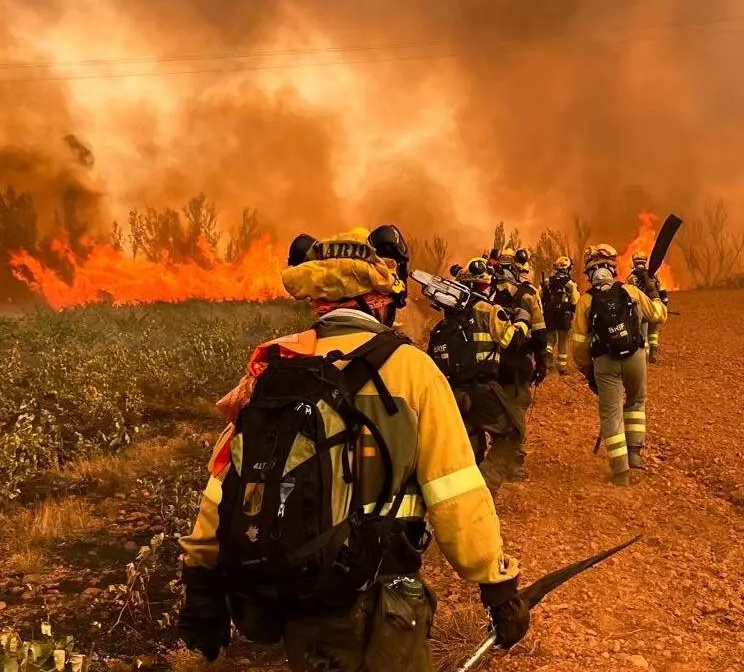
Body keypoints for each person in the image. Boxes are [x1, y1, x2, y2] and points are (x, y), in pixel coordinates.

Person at [177, 227, 529, 671]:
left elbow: (226, 485)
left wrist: (201, 585)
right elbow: (455, 491)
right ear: (377, 299)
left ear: (318, 299)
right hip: (386, 602)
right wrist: (497, 587)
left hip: (301, 599)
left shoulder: (275, 367)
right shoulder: (412, 370)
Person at [572, 244, 668, 486]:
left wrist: (588, 370)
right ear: (613, 270)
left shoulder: (585, 301)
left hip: (605, 363)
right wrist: (653, 292)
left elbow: (579, 346)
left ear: (590, 274)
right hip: (635, 357)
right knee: (636, 401)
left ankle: (620, 471)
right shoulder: (631, 291)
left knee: (611, 413)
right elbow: (660, 315)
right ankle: (635, 453)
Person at [425, 257, 531, 474]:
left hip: (453, 392)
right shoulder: (488, 310)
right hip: (483, 391)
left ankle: (467, 486)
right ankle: (487, 483)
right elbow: (511, 341)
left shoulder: (446, 321)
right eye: (486, 285)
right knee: (512, 434)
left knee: (469, 446)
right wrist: (523, 321)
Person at [489, 248, 548, 482]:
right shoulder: (529, 294)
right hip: (518, 366)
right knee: (516, 416)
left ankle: (497, 459)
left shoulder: (486, 292)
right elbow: (540, 332)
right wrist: (541, 362)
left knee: (494, 415)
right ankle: (514, 465)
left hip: (490, 364)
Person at [541, 256, 580, 374]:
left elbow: (540, 295)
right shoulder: (570, 283)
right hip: (564, 315)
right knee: (563, 340)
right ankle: (562, 368)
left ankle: (548, 359)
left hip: (549, 314)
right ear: (568, 269)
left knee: (550, 337)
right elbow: (575, 300)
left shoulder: (548, 281)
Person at [626, 251, 665, 363]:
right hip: (654, 307)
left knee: (642, 333)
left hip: (641, 309)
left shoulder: (630, 278)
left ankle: (645, 355)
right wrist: (663, 305)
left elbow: (628, 294)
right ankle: (653, 350)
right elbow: (662, 292)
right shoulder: (654, 276)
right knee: (654, 331)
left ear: (634, 262)